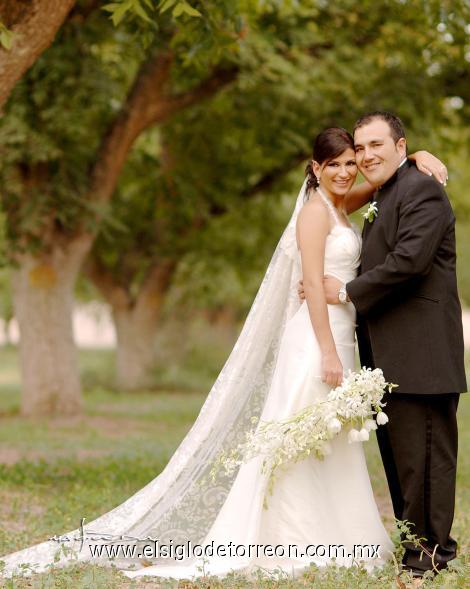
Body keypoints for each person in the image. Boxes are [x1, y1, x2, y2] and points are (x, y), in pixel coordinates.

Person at [0, 129, 445, 582]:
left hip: (343, 334)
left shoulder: (340, 205)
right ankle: (291, 543)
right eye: (334, 164)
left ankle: (341, 541)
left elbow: (385, 175)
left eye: (351, 161)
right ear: (315, 169)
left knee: (329, 443)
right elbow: (312, 285)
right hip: (318, 342)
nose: (347, 170)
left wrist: (418, 156)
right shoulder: (315, 213)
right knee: (296, 440)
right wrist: (328, 353)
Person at [320, 112, 467, 582]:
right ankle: (416, 547)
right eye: (359, 148)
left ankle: (431, 555)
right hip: (388, 355)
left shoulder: (421, 189)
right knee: (403, 460)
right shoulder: (387, 193)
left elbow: (410, 262)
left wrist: (344, 291)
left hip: (421, 353)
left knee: (425, 458)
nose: (365, 156)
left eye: (375, 144)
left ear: (401, 146)